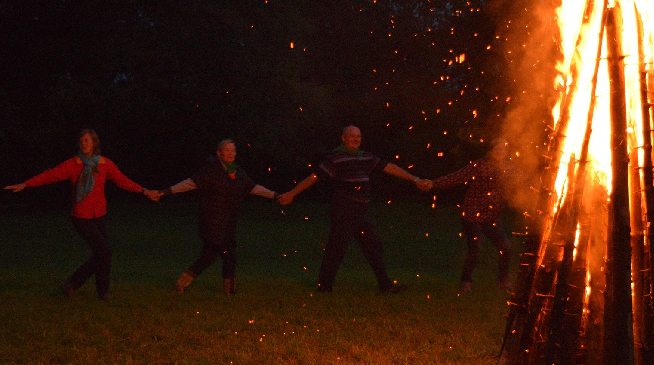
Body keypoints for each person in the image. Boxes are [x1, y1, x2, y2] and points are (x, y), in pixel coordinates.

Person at [3, 129, 156, 300]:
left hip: (99, 215)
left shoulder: (105, 164)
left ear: (94, 143)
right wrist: (26, 184)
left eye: (87, 140)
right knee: (104, 252)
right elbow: (51, 175)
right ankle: (99, 291)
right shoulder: (74, 164)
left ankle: (81, 287)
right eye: (82, 140)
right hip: (81, 217)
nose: (84, 143)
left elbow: (122, 180)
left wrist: (143, 190)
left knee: (103, 254)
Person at [278, 125, 429, 293]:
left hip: (360, 210)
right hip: (344, 208)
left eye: (358, 136)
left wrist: (414, 179)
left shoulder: (365, 157)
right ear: (343, 138)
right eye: (352, 136)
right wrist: (292, 193)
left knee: (372, 245)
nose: (356, 139)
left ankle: (385, 285)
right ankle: (325, 286)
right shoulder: (335, 158)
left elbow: (389, 167)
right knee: (337, 246)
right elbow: (314, 177)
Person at [155, 139, 280, 295]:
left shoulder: (238, 172)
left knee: (214, 255)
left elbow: (253, 188)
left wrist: (274, 195)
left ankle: (186, 283)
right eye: (226, 150)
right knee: (223, 253)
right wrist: (166, 191)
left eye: (233, 150)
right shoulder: (210, 171)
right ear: (219, 153)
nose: (230, 153)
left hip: (228, 221)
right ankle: (226, 290)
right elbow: (190, 183)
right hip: (212, 221)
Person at [419, 139, 517, 294]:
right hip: (472, 214)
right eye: (497, 150)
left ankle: (503, 280)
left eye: (503, 150)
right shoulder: (479, 166)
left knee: (505, 247)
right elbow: (457, 177)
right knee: (475, 248)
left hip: (492, 216)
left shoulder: (509, 168)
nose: (501, 153)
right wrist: (433, 183)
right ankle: (466, 281)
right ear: (490, 152)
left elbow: (521, 183)